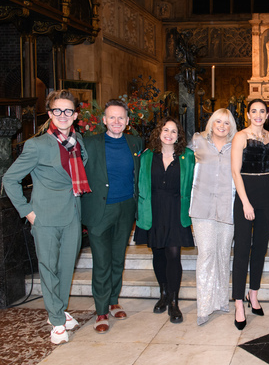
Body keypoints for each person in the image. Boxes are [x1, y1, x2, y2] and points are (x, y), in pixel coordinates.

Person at [3, 90, 90, 344]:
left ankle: (59, 309)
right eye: (57, 111)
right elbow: (10, 179)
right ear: (50, 113)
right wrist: (27, 212)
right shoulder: (37, 145)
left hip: (73, 214)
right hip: (45, 217)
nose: (63, 115)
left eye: (68, 111)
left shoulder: (78, 140)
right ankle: (56, 319)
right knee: (48, 268)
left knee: (65, 268)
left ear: (75, 115)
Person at [81, 99, 144, 333]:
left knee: (118, 257)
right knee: (101, 261)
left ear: (127, 122)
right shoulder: (89, 144)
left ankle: (114, 300)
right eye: (112, 117)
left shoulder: (135, 142)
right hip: (100, 210)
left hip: (126, 208)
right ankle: (101, 310)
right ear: (104, 120)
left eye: (121, 118)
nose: (116, 121)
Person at [134, 117, 195, 324]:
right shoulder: (147, 156)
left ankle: (175, 301)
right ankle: (163, 294)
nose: (169, 134)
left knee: (173, 255)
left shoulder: (188, 156)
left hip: (177, 210)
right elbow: (140, 184)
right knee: (158, 253)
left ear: (179, 136)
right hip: (153, 209)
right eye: (165, 130)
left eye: (174, 131)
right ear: (159, 132)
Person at [231, 99, 269, 330]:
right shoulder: (240, 136)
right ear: (248, 114)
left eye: (262, 111)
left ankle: (253, 294)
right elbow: (235, 173)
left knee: (260, 248)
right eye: (254, 111)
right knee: (241, 250)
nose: (258, 115)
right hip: (245, 195)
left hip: (266, 196)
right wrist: (245, 203)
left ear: (267, 115)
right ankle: (238, 302)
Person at [189, 109, 237, 326]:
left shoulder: (237, 145)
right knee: (206, 253)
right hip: (202, 207)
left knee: (223, 253)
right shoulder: (198, 140)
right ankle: (204, 307)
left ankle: (221, 301)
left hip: (228, 207)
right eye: (218, 121)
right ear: (211, 123)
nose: (221, 126)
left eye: (226, 123)